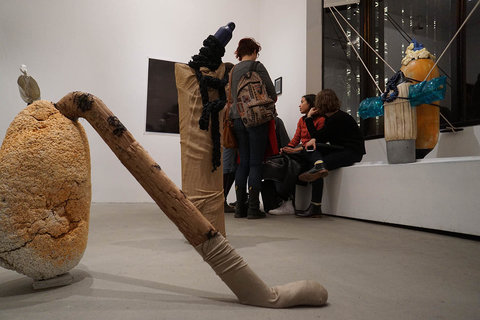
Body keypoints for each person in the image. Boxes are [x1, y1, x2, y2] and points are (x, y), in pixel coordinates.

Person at [297, 88, 366, 217]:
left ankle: (315, 207)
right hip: (343, 149)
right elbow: (320, 137)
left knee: (316, 165)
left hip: (351, 152)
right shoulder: (334, 116)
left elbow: (319, 136)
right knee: (313, 153)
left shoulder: (336, 119)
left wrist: (309, 118)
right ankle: (318, 165)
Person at [229, 38, 277, 219]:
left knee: (243, 162)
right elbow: (271, 93)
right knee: (256, 163)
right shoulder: (257, 66)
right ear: (255, 50)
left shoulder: (233, 71)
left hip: (237, 118)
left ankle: (240, 207)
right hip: (256, 118)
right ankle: (253, 209)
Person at [279, 94, 325, 214]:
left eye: (302, 102)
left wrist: (295, 150)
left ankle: (315, 206)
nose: (299, 105)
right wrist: (286, 148)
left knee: (314, 170)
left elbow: (317, 141)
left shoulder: (321, 120)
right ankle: (287, 201)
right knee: (283, 159)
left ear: (311, 104)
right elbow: (295, 140)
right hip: (303, 151)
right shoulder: (301, 120)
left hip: (314, 151)